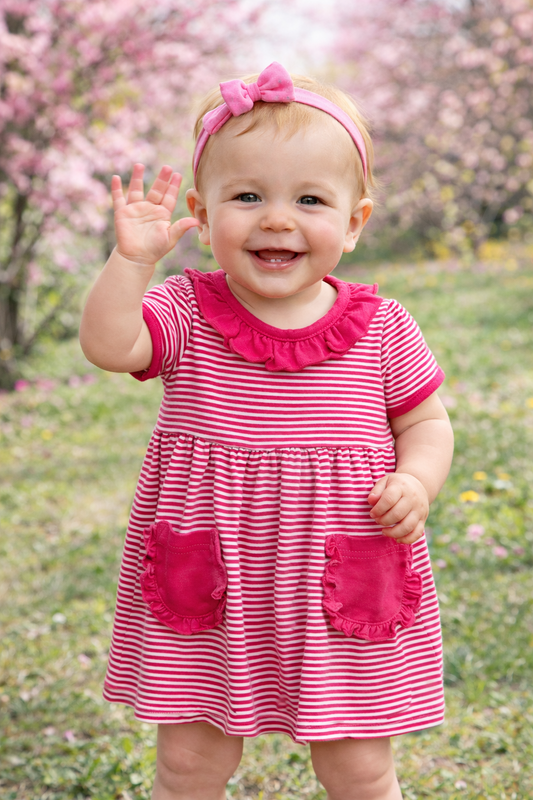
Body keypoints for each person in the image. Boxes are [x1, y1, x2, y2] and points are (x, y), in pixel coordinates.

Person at [80, 63, 454, 800]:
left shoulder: (381, 328)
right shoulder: (186, 310)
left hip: (338, 579)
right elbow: (110, 346)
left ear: (353, 222)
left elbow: (426, 422)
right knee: (190, 763)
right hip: (214, 578)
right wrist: (131, 262)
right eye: (246, 197)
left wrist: (415, 479)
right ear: (201, 209)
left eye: (309, 200)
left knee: (358, 766)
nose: (276, 219)